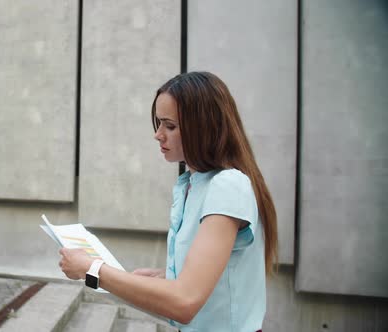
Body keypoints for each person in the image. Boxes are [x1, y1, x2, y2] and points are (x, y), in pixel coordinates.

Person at [59, 71, 277, 332]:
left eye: (170, 126)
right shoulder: (191, 184)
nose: (158, 135)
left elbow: (184, 302)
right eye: (158, 124)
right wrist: (168, 278)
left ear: (203, 127)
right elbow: (212, 281)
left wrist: (91, 270)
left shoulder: (227, 185)